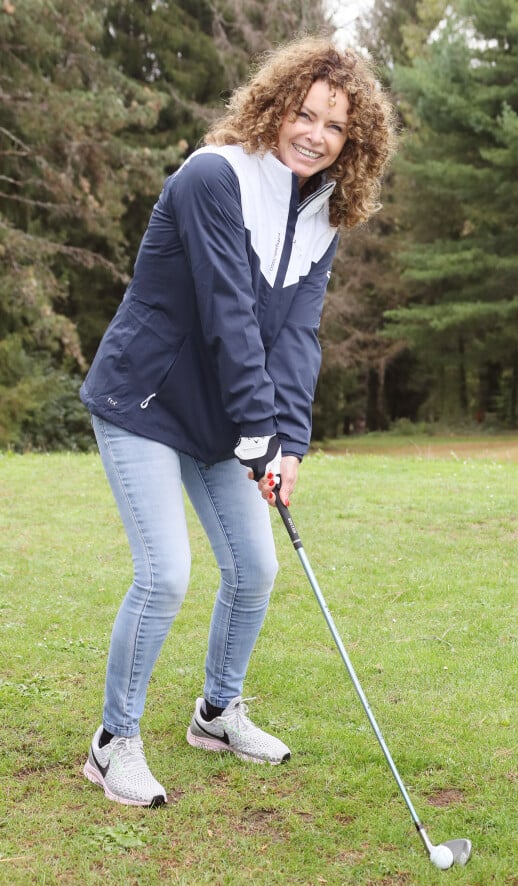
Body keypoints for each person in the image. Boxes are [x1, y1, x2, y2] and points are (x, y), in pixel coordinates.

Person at [80, 35, 397, 807]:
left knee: (255, 570)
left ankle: (217, 714)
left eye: (334, 126)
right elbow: (227, 313)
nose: (315, 133)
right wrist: (259, 431)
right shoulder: (211, 177)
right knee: (166, 575)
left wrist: (287, 443)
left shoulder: (323, 212)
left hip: (224, 418)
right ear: (276, 104)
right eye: (305, 112)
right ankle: (112, 742)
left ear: (351, 143)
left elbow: (295, 335)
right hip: (146, 399)